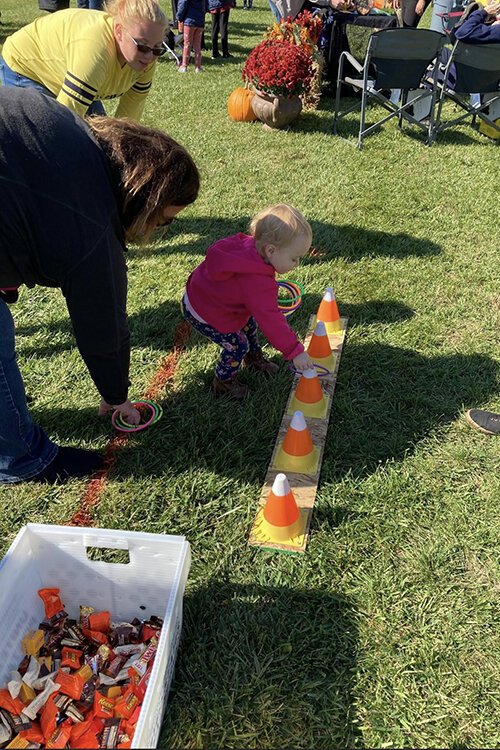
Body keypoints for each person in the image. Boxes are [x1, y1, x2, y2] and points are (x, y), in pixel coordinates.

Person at [0, 87, 200, 484]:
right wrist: (115, 396)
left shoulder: (74, 128)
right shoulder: (92, 225)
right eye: (165, 220)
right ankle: (21, 460)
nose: (162, 230)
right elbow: (102, 325)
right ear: (146, 195)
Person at [181, 204, 315, 400]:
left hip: (203, 295)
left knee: (248, 324)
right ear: (271, 250)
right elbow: (271, 321)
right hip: (204, 311)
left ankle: (253, 359)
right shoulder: (257, 282)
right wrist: (295, 351)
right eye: (294, 259)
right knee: (237, 344)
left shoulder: (251, 247)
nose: (297, 264)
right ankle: (224, 382)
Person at [0, 0, 167, 120]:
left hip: (68, 72)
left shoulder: (147, 57)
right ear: (119, 31)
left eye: (158, 48)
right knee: (44, 139)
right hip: (27, 67)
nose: (149, 56)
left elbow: (127, 121)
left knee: (99, 143)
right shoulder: (96, 51)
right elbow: (64, 123)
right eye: (142, 46)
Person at [177, 0, 206, 72]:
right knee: (197, 45)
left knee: (187, 44)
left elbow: (182, 4)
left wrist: (179, 17)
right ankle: (198, 67)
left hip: (189, 20)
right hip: (200, 21)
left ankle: (184, 65)